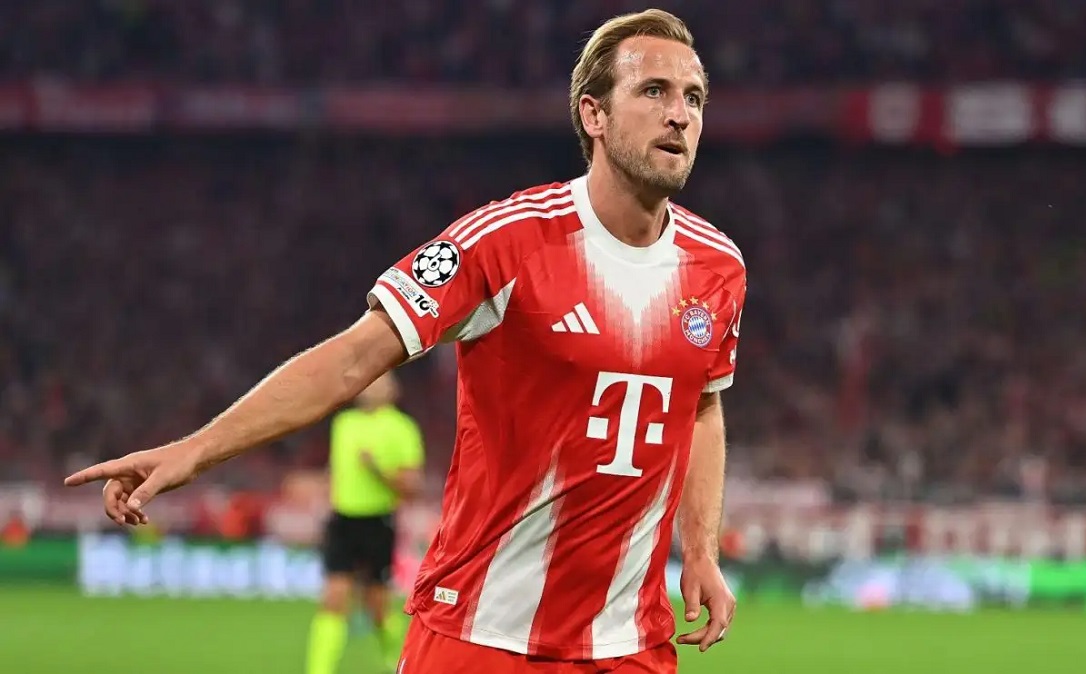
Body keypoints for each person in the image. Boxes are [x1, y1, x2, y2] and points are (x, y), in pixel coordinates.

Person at [64, 9, 744, 673]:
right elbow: (352, 359)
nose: (679, 114)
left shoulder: (719, 267)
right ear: (593, 115)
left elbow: (702, 406)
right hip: (480, 636)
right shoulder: (505, 242)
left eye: (693, 97)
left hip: (629, 645)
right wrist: (195, 450)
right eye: (654, 91)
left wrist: (700, 550)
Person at [307, 371, 424, 674]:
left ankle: (393, 658)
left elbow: (411, 488)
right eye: (369, 381)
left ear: (393, 390)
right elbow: (335, 472)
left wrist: (378, 471)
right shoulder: (344, 424)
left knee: (377, 606)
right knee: (334, 597)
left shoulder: (402, 428)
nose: (371, 387)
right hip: (342, 521)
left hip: (377, 522)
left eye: (379, 382)